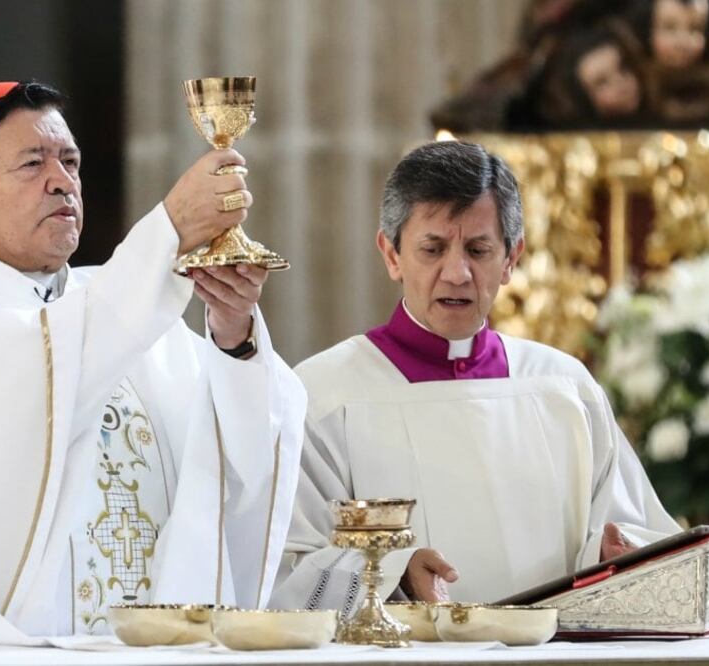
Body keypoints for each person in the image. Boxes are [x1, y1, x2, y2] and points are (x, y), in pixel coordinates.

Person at [0, 81, 305, 639]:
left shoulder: (117, 308)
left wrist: (233, 338)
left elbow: (235, 454)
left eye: (70, 161)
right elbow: (41, 372)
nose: (62, 181)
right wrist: (170, 228)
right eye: (32, 163)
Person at [270, 140, 680, 614]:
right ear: (392, 254)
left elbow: (639, 539)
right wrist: (394, 572)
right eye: (433, 248)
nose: (458, 273)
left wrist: (612, 559)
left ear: (511, 259)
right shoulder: (324, 394)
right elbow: (285, 571)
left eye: (479, 249)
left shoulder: (565, 388)